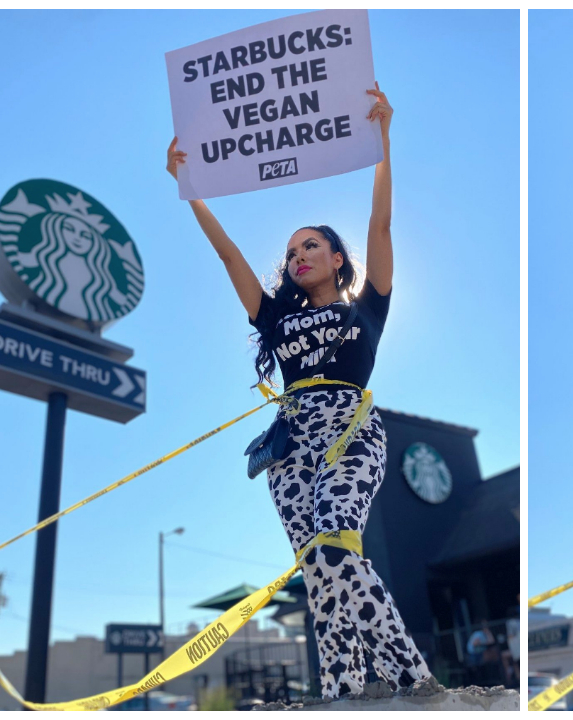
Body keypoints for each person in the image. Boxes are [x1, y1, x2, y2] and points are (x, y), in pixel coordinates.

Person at [166, 83, 430, 699]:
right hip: (289, 445)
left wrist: (383, 141)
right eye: (289, 251)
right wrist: (190, 190)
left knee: (338, 550)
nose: (298, 255)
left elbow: (381, 222)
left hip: (350, 430)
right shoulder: (275, 318)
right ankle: (342, 693)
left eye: (311, 245)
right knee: (318, 573)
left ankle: (415, 682)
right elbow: (230, 256)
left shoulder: (368, 307)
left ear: (339, 258)